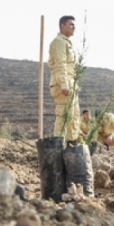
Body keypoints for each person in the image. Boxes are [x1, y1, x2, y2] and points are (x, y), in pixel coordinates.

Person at [49, 15, 80, 143]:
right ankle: (58, 146)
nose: (74, 27)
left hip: (71, 84)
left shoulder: (67, 43)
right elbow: (60, 64)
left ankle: (71, 145)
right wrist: (63, 84)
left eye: (74, 24)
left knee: (73, 117)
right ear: (62, 26)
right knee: (64, 115)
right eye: (71, 24)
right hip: (64, 85)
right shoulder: (59, 42)